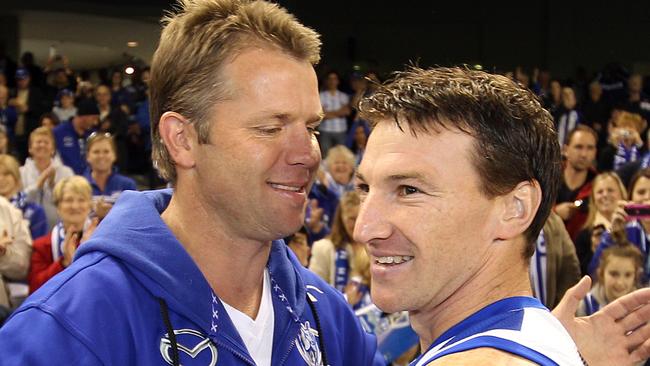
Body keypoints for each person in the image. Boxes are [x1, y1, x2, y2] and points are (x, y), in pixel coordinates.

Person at [0, 1, 379, 365]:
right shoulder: (70, 330)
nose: (309, 153)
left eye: (311, 127)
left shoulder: (329, 318)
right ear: (182, 139)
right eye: (270, 127)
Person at [352, 66, 649, 365]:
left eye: (409, 190)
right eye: (365, 187)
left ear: (515, 209)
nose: (364, 229)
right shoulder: (542, 338)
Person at [28, 176, 95, 293]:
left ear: (90, 205)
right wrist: (63, 263)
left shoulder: (102, 240)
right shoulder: (42, 245)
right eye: (69, 200)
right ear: (58, 207)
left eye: (81, 200)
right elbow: (35, 289)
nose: (75, 206)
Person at [20, 127, 75, 229]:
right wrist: (37, 186)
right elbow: (18, 202)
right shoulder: (20, 172)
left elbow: (72, 202)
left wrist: (53, 186)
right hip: (27, 229)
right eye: (38, 142)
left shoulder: (67, 172)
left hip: (60, 229)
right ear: (30, 148)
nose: (42, 145)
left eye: (46, 142)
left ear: (53, 149)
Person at [574, 172, 627, 275]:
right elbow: (582, 274)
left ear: (621, 194)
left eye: (610, 190)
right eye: (600, 192)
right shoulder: (584, 235)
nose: (605, 195)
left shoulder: (635, 227)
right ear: (593, 199)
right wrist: (595, 251)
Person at [554, 125, 599, 240]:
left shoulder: (599, 187)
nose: (584, 154)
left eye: (590, 148)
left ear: (595, 152)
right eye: (578, 147)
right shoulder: (547, 179)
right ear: (565, 150)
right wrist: (555, 213)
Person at [83, 132, 136, 220]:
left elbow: (134, 217)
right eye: (96, 152)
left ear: (114, 155)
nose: (101, 156)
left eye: (106, 151)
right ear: (88, 156)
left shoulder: (128, 185)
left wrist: (108, 215)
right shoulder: (79, 185)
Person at [578, 245, 643, 316]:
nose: (620, 283)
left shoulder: (642, 306)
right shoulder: (586, 305)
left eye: (628, 275)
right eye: (614, 274)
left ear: (636, 276)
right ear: (601, 274)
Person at [0, 154, 48, 240]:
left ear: (16, 176)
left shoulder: (34, 211)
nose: (1, 179)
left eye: (6, 174)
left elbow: (38, 248)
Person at [53, 98, 98, 174]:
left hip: (89, 181)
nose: (95, 123)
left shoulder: (93, 134)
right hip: (65, 180)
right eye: (93, 118)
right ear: (84, 116)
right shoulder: (58, 132)